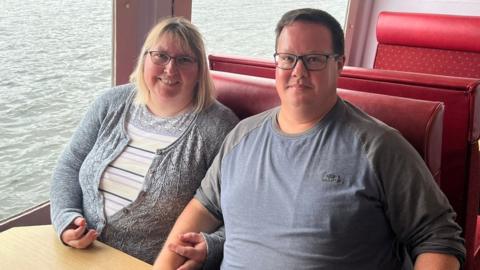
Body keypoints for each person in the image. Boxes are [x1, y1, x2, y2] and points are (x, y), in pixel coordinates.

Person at [153, 8, 466, 270]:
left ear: (339, 64)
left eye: (314, 59)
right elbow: (202, 209)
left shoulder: (379, 146)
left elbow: (438, 239)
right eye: (288, 58)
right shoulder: (241, 137)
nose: (298, 71)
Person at [49, 17, 238, 267]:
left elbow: (242, 215)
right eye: (160, 56)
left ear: (200, 70)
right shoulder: (109, 103)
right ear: (144, 59)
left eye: (184, 60)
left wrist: (209, 249)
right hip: (78, 257)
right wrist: (66, 219)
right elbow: (70, 165)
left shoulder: (220, 128)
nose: (170, 70)